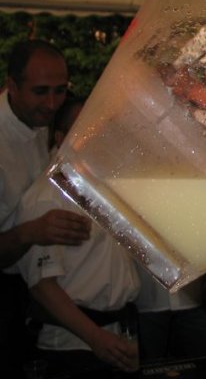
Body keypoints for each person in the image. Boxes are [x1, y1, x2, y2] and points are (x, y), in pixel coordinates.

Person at [16, 95, 141, 376]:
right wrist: (96, 338)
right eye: (85, 128)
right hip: (72, 346)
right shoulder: (47, 197)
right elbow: (42, 286)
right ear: (61, 138)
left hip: (118, 333)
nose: (96, 136)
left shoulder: (101, 187)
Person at [0, 40, 90, 375]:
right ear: (11, 86)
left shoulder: (41, 121)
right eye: (40, 92)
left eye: (60, 91)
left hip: (35, 295)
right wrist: (31, 231)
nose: (52, 104)